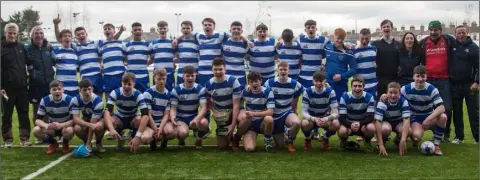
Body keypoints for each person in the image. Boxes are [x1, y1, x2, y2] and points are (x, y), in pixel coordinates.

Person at [419, 20, 455, 142]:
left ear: (440, 30)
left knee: (447, 108)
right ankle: (436, 133)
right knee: (431, 109)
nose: (433, 32)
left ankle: (445, 133)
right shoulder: (423, 43)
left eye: (436, 30)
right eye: (431, 30)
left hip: (444, 80)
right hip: (428, 81)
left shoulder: (449, 40)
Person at [401, 65, 447, 155]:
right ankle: (413, 139)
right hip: (415, 118)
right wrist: (385, 96)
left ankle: (436, 145)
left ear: (426, 76)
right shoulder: (405, 89)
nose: (420, 79)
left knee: (443, 117)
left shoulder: (432, 89)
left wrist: (429, 118)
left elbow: (442, 107)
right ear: (413, 76)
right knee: (417, 136)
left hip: (429, 116)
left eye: (423, 76)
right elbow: (396, 99)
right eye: (418, 76)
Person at [1, 23, 33, 147]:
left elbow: (29, 62)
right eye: (10, 33)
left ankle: (24, 139)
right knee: (6, 115)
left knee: (24, 113)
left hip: (22, 87)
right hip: (6, 89)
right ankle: (8, 140)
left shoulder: (22, 47)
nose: (12, 35)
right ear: (5, 33)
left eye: (15, 33)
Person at [174, 18, 230, 86]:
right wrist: (176, 39)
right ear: (203, 27)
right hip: (202, 72)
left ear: (214, 27)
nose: (207, 26)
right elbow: (186, 33)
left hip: (215, 71)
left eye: (209, 25)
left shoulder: (220, 35)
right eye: (205, 25)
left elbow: (234, 34)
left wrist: (247, 41)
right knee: (203, 93)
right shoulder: (198, 36)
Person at [103, 72, 150, 153]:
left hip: (132, 119)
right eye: (124, 84)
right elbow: (107, 112)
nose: (126, 86)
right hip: (119, 118)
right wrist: (111, 129)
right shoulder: (115, 92)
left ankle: (133, 136)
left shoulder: (138, 95)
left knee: (139, 119)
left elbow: (146, 116)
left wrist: (138, 137)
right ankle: (120, 137)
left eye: (129, 84)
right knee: (108, 121)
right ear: (121, 83)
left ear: (134, 84)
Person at [448, 25, 479, 144]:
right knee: (457, 112)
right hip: (455, 84)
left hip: (470, 85)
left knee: (473, 112)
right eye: (458, 33)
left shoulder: (474, 48)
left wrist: (477, 82)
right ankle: (459, 137)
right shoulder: (452, 46)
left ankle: (477, 138)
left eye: (463, 33)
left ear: (467, 33)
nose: (461, 35)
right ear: (455, 34)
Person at [264, 61, 303, 152]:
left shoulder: (294, 83)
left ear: (288, 70)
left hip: (287, 112)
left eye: (285, 69)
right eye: (281, 69)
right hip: (273, 114)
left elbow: (306, 91)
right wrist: (248, 87)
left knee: (297, 123)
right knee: (280, 146)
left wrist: (324, 87)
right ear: (277, 70)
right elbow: (261, 92)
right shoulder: (269, 83)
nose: (283, 72)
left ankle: (290, 141)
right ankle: (282, 132)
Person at [204, 57, 243, 149]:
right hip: (222, 114)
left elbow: (236, 105)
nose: (218, 72)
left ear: (225, 69)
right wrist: (214, 111)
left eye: (220, 69)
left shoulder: (233, 81)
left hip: (234, 111)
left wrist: (232, 125)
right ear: (212, 70)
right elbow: (207, 99)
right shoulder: (209, 84)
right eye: (215, 69)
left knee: (244, 118)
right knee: (222, 146)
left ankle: (237, 137)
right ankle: (229, 135)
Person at [27, 26, 56, 145]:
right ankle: (39, 134)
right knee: (37, 111)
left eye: (40, 33)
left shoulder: (49, 48)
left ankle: (50, 132)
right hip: (35, 85)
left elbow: (55, 61)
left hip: (49, 84)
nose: (39, 35)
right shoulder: (27, 49)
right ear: (32, 36)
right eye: (36, 33)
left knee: (50, 110)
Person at [170, 65, 210, 149]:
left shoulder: (200, 89)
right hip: (181, 118)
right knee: (183, 133)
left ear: (195, 76)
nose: (190, 78)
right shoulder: (176, 90)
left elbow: (204, 108)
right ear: (183, 76)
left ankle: (198, 140)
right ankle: (181, 140)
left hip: (193, 117)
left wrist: (196, 119)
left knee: (204, 123)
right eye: (187, 76)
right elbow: (173, 108)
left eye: (192, 75)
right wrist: (173, 118)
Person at [300, 70, 340, 151]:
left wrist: (326, 118)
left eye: (321, 81)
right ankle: (308, 138)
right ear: (313, 81)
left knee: (336, 123)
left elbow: (336, 112)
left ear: (325, 81)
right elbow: (303, 112)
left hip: (324, 117)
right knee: (304, 123)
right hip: (311, 117)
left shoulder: (330, 92)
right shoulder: (307, 91)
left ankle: (325, 138)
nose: (318, 83)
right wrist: (314, 119)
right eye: (316, 81)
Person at [32, 80, 74, 154]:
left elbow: (74, 120)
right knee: (36, 130)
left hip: (65, 126)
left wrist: (61, 125)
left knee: (69, 131)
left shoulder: (70, 99)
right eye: (54, 89)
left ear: (63, 90)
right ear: (50, 91)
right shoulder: (45, 100)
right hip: (52, 127)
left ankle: (65, 143)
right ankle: (53, 143)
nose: (57, 91)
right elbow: (37, 120)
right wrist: (46, 125)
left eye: (59, 89)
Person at [337, 76, 376, 152]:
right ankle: (343, 141)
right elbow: (341, 118)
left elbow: (371, 117)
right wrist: (350, 124)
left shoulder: (369, 97)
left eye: (360, 86)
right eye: (355, 86)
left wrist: (359, 123)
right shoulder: (345, 97)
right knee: (342, 131)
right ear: (351, 86)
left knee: (371, 128)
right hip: (348, 124)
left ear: (363, 87)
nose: (357, 88)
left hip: (363, 125)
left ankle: (367, 141)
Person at [239, 71, 275, 152]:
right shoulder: (245, 92)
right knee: (249, 149)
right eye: (251, 82)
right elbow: (239, 102)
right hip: (251, 124)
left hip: (263, 123)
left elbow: (270, 112)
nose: (254, 83)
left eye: (256, 81)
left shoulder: (268, 92)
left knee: (269, 119)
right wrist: (242, 110)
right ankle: (242, 136)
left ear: (260, 81)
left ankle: (268, 142)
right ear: (248, 83)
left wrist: (253, 114)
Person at [375, 82, 410, 156]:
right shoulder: (383, 101)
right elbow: (377, 121)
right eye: (390, 92)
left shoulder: (403, 101)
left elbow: (406, 120)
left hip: (398, 123)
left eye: (395, 93)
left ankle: (398, 141)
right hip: (386, 123)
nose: (393, 95)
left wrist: (403, 139)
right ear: (386, 92)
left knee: (409, 131)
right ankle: (382, 143)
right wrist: (380, 144)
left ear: (399, 93)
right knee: (385, 129)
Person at [71, 79, 106, 152]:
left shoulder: (98, 101)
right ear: (80, 90)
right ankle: (86, 142)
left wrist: (89, 142)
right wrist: (88, 125)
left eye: (89, 89)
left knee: (98, 127)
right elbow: (75, 119)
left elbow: (93, 123)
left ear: (92, 89)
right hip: (86, 119)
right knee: (77, 128)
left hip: (99, 120)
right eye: (84, 90)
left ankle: (98, 142)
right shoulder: (75, 100)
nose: (87, 92)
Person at [371, 19, 401, 101]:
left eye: (388, 26)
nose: (386, 28)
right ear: (381, 29)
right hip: (380, 79)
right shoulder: (375, 44)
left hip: (394, 78)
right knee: (381, 101)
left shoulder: (399, 44)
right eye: (384, 27)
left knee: (394, 101)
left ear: (392, 28)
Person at [142, 68, 172, 150]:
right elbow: (148, 115)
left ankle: (164, 141)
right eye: (159, 79)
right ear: (154, 78)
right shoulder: (148, 93)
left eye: (164, 79)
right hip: (150, 123)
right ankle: (153, 141)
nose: (162, 81)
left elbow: (166, 115)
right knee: (145, 138)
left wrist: (161, 128)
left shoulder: (169, 95)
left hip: (162, 123)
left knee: (172, 132)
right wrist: (156, 129)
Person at [325, 28, 357, 102]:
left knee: (341, 107)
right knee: (327, 106)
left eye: (342, 39)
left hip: (341, 85)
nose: (339, 41)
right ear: (334, 37)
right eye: (338, 38)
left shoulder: (348, 53)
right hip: (328, 83)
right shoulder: (327, 48)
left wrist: (341, 76)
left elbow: (354, 69)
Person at [297, 19, 330, 89]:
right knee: (305, 98)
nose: (311, 29)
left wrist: (346, 45)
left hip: (317, 76)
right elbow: (290, 45)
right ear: (305, 30)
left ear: (316, 29)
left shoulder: (324, 40)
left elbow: (335, 47)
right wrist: (280, 42)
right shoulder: (300, 39)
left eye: (313, 27)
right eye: (308, 28)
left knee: (318, 98)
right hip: (304, 76)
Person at [98, 23, 127, 100]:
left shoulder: (121, 43)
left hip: (120, 74)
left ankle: (121, 111)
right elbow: (99, 58)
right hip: (107, 75)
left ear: (114, 31)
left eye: (109, 28)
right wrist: (100, 65)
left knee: (122, 94)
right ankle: (109, 112)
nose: (107, 30)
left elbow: (125, 57)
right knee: (108, 96)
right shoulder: (101, 45)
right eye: (105, 29)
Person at [222, 21, 253, 87]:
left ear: (241, 31)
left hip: (240, 77)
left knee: (240, 96)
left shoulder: (246, 44)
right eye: (234, 29)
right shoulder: (224, 42)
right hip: (226, 76)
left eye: (238, 29)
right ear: (230, 30)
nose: (236, 30)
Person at [149, 21, 176, 91]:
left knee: (170, 93)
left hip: (169, 74)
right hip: (157, 74)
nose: (162, 30)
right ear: (157, 30)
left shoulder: (172, 43)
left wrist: (172, 63)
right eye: (160, 28)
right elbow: (151, 58)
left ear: (167, 29)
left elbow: (177, 57)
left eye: (164, 28)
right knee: (157, 93)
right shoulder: (153, 44)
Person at [125, 22, 151, 93]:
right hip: (131, 76)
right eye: (135, 30)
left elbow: (152, 57)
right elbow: (124, 58)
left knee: (145, 97)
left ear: (142, 31)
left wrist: (146, 64)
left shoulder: (147, 45)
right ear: (132, 32)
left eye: (139, 30)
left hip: (144, 76)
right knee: (130, 98)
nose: (137, 31)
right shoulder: (127, 45)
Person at [52, 29, 79, 97]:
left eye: (69, 36)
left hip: (74, 87)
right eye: (65, 36)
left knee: (74, 107)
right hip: (61, 88)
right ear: (61, 39)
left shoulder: (76, 52)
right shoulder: (55, 51)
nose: (67, 37)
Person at [353, 28, 377, 100]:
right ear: (359, 37)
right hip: (359, 85)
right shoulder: (354, 50)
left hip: (373, 83)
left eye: (366, 38)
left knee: (373, 105)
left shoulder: (374, 49)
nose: (364, 40)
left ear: (370, 37)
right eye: (362, 38)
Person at [175, 21, 199, 85]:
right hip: (181, 74)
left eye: (188, 28)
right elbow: (177, 56)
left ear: (192, 29)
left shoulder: (197, 41)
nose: (186, 30)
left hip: (194, 74)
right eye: (184, 28)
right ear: (181, 30)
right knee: (180, 93)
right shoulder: (178, 42)